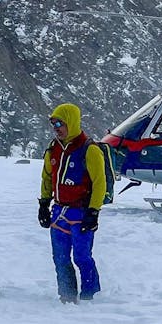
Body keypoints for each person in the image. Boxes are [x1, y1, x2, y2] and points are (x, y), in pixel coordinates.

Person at [38, 103, 106, 303]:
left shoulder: (89, 150)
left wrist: (94, 211)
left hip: (81, 212)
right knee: (60, 258)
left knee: (82, 257)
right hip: (59, 212)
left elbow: (99, 183)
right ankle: (66, 295)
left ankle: (90, 295)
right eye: (53, 124)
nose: (56, 127)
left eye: (60, 123)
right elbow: (47, 178)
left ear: (72, 122)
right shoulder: (53, 149)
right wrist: (43, 204)